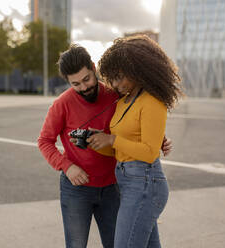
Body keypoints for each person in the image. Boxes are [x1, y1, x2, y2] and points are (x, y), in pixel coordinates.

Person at [37, 44, 173, 248]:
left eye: (86, 79)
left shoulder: (115, 92)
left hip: (113, 186)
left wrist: (158, 137)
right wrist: (67, 166)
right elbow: (44, 142)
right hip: (76, 189)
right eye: (76, 84)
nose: (84, 87)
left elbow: (134, 119)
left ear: (93, 68)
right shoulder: (61, 104)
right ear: (68, 82)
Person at [86, 35, 183, 248]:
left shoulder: (152, 102)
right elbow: (120, 150)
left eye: (120, 77)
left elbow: (149, 152)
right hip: (129, 182)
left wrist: (112, 138)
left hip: (145, 184)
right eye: (112, 77)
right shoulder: (124, 102)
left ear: (139, 69)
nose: (115, 84)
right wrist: (96, 142)